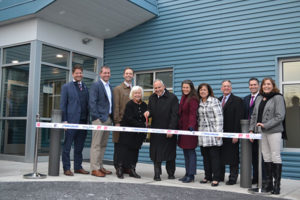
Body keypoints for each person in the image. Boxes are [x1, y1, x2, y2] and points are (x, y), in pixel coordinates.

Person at [249, 77, 285, 195]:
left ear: (272, 85)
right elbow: (254, 115)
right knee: (266, 157)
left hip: (274, 131)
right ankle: (268, 185)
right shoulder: (259, 97)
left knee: (275, 156)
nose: (266, 86)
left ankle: (276, 186)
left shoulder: (278, 97)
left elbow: (280, 116)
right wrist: (251, 130)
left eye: (268, 84)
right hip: (261, 132)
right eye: (264, 84)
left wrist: (265, 125)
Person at [144, 79, 179, 181]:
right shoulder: (152, 97)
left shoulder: (172, 97)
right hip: (156, 130)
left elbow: (175, 115)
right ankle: (157, 174)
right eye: (155, 88)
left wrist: (171, 129)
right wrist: (148, 113)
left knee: (170, 154)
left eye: (159, 87)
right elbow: (150, 110)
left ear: (164, 87)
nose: (157, 89)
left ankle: (171, 173)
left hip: (168, 129)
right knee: (156, 154)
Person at [60, 64, 90, 176]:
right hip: (71, 121)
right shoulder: (66, 87)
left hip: (83, 122)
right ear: (73, 74)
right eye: (77, 73)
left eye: (80, 73)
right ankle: (66, 168)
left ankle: (78, 167)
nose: (79, 75)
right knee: (67, 147)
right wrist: (64, 121)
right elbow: (63, 105)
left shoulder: (85, 87)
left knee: (79, 147)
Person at [115, 86, 147, 179]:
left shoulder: (144, 105)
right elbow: (129, 119)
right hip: (128, 133)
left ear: (141, 94)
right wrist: (141, 125)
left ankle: (132, 170)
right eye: (135, 93)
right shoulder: (129, 104)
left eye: (139, 93)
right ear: (132, 94)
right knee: (123, 151)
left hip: (138, 134)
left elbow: (145, 117)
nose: (137, 95)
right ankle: (120, 169)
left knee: (134, 152)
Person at [89, 66, 113, 177]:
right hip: (99, 119)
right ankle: (94, 168)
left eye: (108, 73)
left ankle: (100, 166)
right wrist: (96, 117)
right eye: (104, 73)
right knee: (96, 145)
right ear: (100, 74)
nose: (106, 74)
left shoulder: (109, 87)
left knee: (103, 144)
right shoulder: (96, 85)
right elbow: (92, 102)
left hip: (108, 119)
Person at [218, 80, 244, 185]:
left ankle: (233, 178)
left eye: (228, 86)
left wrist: (236, 134)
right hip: (220, 134)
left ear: (231, 88)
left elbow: (239, 118)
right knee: (220, 156)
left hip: (232, 133)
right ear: (221, 88)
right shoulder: (218, 100)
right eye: (224, 86)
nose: (226, 88)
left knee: (233, 157)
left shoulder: (238, 100)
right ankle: (220, 176)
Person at [198, 83, 223, 187]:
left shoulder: (214, 101)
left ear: (208, 91)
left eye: (204, 90)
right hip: (202, 134)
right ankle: (207, 176)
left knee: (214, 157)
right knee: (205, 157)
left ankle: (216, 178)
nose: (202, 91)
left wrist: (218, 132)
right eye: (201, 90)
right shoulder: (198, 102)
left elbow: (219, 118)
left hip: (213, 134)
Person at [243, 77, 264, 185]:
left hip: (259, 130)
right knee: (253, 156)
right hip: (248, 131)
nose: (253, 86)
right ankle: (255, 177)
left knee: (261, 156)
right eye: (251, 85)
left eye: (255, 84)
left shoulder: (262, 98)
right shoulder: (246, 99)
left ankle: (263, 179)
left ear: (258, 85)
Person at [113, 67, 134, 173]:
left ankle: (126, 167)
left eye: (130, 73)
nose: (128, 75)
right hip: (120, 123)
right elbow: (116, 106)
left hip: (131, 124)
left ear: (133, 76)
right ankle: (118, 167)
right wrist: (116, 121)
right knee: (119, 146)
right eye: (127, 73)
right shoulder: (118, 89)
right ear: (123, 75)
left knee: (128, 146)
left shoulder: (134, 90)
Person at [177, 80, 199, 183]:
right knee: (185, 152)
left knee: (191, 152)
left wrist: (191, 126)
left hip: (190, 129)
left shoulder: (193, 99)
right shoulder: (183, 97)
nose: (185, 89)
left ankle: (191, 175)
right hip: (182, 128)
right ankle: (187, 173)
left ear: (191, 88)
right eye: (183, 87)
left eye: (187, 87)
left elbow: (193, 114)